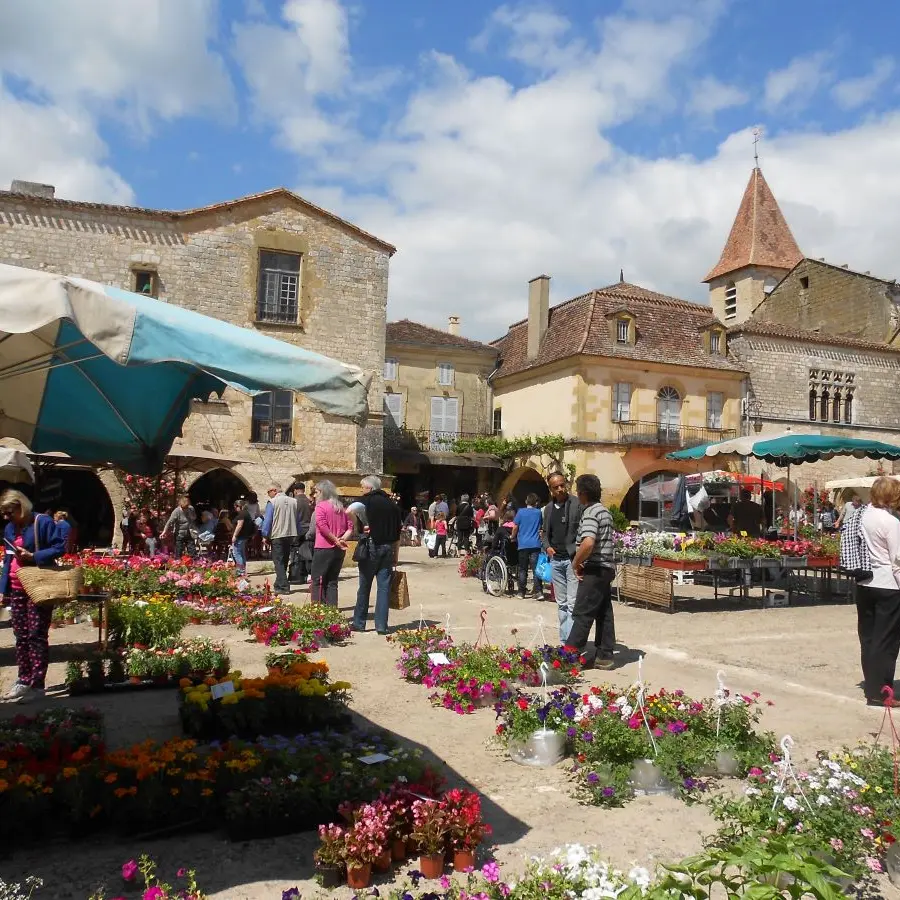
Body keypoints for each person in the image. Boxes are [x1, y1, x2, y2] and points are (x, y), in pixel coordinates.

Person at [0, 490, 68, 703]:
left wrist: (34, 556)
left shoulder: (42, 522)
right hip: (16, 587)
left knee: (36, 635)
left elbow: (60, 547)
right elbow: (8, 560)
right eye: (4, 513)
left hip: (39, 586)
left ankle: (37, 685)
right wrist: (3, 589)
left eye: (10, 512)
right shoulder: (10, 528)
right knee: (20, 636)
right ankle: (23, 679)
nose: (6, 517)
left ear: (21, 507)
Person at [856, 477, 900, 707]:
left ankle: (872, 686)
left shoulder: (862, 515)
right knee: (886, 641)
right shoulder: (890, 522)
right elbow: (897, 561)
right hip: (887, 585)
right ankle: (882, 691)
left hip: (864, 582)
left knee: (869, 638)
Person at [566, 474, 616, 671]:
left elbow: (588, 542)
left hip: (595, 568)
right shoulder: (604, 511)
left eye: (578, 491)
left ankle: (569, 657)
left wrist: (576, 563)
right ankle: (605, 655)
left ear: (583, 493)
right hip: (606, 567)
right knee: (604, 612)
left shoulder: (591, 512)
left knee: (582, 612)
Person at [352, 475, 402, 635]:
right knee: (384, 588)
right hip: (388, 547)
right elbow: (398, 533)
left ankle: (359, 622)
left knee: (364, 586)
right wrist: (396, 555)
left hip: (371, 545)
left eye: (362, 487)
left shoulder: (365, 501)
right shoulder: (392, 505)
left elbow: (349, 512)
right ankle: (381, 625)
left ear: (370, 488)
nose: (361, 490)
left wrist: (360, 528)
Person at [542, 473, 583, 642]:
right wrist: (547, 547)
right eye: (556, 487)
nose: (560, 489)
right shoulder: (548, 509)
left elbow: (582, 529)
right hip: (556, 560)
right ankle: (564, 641)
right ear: (551, 490)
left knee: (573, 603)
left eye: (562, 485)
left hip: (572, 560)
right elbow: (545, 532)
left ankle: (572, 644)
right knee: (562, 604)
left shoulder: (577, 504)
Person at [310, 481, 352, 606]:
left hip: (323, 547)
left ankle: (317, 609)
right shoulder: (341, 507)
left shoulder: (321, 506)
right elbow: (350, 527)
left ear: (323, 492)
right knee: (332, 581)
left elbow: (322, 526)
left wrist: (335, 540)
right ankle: (332, 610)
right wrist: (342, 539)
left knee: (317, 580)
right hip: (339, 549)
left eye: (316, 492)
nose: (314, 495)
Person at [260, 482, 300, 595]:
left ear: (274, 490)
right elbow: (297, 519)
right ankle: (278, 584)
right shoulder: (294, 501)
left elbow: (268, 520)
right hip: (291, 534)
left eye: (268, 492)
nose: (268, 494)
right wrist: (297, 532)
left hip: (277, 534)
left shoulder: (272, 502)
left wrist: (264, 535)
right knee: (285, 560)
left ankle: (284, 586)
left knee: (278, 561)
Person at [512, 493, 543, 599]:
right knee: (536, 569)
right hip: (535, 544)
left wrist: (512, 536)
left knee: (523, 569)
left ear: (526, 501)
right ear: (536, 503)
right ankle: (538, 592)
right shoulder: (538, 513)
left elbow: (515, 527)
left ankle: (521, 592)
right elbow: (541, 526)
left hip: (523, 544)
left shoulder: (520, 512)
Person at [291, 481, 313, 585]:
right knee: (308, 552)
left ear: (295, 490)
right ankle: (309, 574)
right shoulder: (310, 501)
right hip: (309, 528)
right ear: (304, 490)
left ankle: (298, 574)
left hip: (297, 529)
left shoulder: (294, 501)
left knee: (296, 552)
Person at [230, 501, 256, 575]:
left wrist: (234, 535)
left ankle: (240, 571)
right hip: (244, 537)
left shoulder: (241, 514)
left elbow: (239, 525)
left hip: (240, 537)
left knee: (237, 554)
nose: (235, 509)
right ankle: (243, 570)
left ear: (239, 506)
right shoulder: (247, 513)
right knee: (242, 553)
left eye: (235, 507)